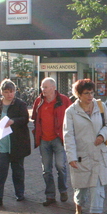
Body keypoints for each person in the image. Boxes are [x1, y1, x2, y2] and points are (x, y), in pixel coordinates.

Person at [63, 79, 107, 214]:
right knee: (81, 191)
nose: (90, 96)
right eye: (86, 93)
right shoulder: (71, 112)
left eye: (92, 93)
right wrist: (71, 156)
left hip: (99, 156)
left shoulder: (100, 106)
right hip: (81, 157)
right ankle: (78, 211)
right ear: (78, 94)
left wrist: (102, 135)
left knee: (97, 191)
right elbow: (68, 135)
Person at [0, 79, 31, 206]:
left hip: (16, 145)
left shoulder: (20, 104)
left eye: (12, 91)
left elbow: (25, 119)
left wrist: (13, 121)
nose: (10, 94)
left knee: (18, 171)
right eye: (6, 92)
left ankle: (19, 194)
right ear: (2, 92)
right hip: (0, 144)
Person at [31, 77, 71, 206]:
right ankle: (50, 196)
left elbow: (72, 116)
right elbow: (34, 119)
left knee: (61, 166)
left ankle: (63, 190)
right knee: (46, 170)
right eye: (42, 87)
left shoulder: (63, 100)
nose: (43, 90)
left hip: (58, 139)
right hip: (44, 140)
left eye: (46, 87)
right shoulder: (39, 101)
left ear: (54, 88)